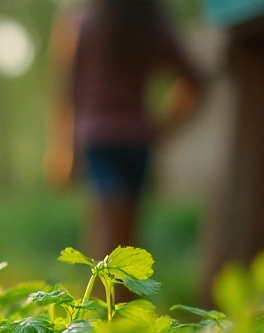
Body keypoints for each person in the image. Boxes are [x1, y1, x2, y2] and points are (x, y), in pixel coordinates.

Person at [45, 0, 204, 260]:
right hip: (138, 141)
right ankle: (120, 297)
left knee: (108, 234)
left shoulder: (83, 23)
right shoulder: (152, 23)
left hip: (98, 140)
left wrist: (63, 148)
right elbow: (194, 82)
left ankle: (110, 299)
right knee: (127, 236)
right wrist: (162, 128)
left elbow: (67, 93)